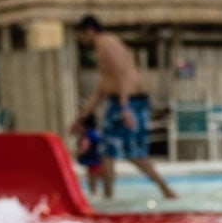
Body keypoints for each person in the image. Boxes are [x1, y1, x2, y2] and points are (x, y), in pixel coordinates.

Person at [71, 15, 177, 200]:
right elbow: (101, 89)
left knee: (133, 152)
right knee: (107, 150)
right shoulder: (102, 48)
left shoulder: (107, 43)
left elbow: (123, 71)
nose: (81, 39)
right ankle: (108, 196)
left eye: (81, 34)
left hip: (131, 102)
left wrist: (125, 105)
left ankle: (166, 190)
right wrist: (81, 118)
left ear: (89, 31)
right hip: (120, 102)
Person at [75, 113, 105, 195]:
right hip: (99, 160)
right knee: (99, 179)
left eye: (79, 125)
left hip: (93, 162)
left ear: (84, 125)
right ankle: (97, 192)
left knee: (92, 181)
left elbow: (85, 147)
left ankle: (93, 193)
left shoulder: (87, 135)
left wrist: (76, 153)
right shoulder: (96, 132)